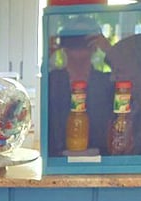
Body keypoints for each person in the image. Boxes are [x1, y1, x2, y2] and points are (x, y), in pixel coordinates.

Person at [46, 16, 115, 156]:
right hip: (57, 159)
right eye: (73, 42)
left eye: (85, 41)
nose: (79, 48)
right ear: (64, 47)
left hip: (101, 159)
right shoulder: (53, 80)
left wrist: (110, 50)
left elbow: (130, 74)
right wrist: (49, 52)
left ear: (95, 46)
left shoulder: (105, 82)